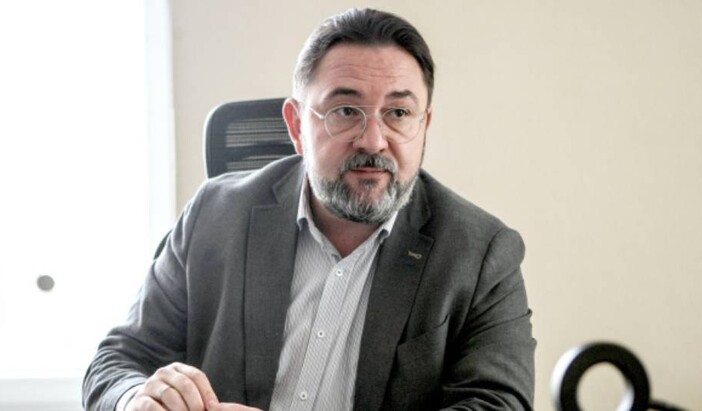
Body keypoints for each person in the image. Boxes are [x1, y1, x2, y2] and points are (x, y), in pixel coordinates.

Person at [83, 7, 535, 411]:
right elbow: (118, 361)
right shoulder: (214, 215)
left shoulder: (480, 254)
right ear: (297, 125)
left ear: (424, 125)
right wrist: (137, 399)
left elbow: (500, 403)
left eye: (398, 113)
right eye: (345, 111)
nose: (373, 140)